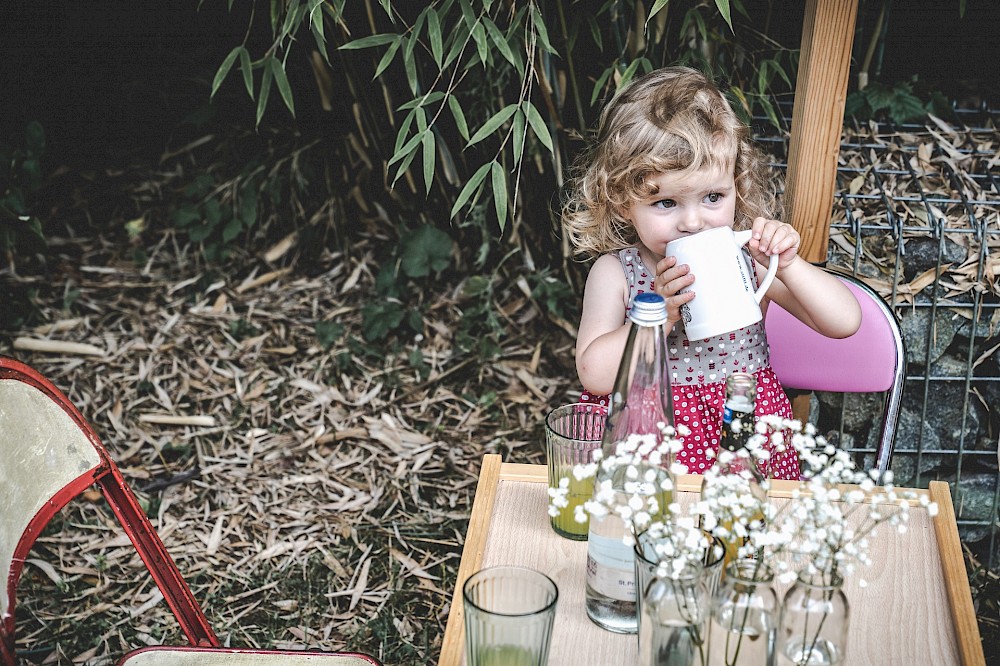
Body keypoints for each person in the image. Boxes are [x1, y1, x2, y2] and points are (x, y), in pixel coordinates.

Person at [562, 66, 861, 480]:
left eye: (713, 197)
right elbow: (595, 376)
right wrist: (657, 316)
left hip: (742, 426)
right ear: (620, 201)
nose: (693, 222)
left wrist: (790, 265)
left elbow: (844, 321)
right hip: (649, 437)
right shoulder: (617, 272)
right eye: (666, 202)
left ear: (737, 185)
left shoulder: (748, 260)